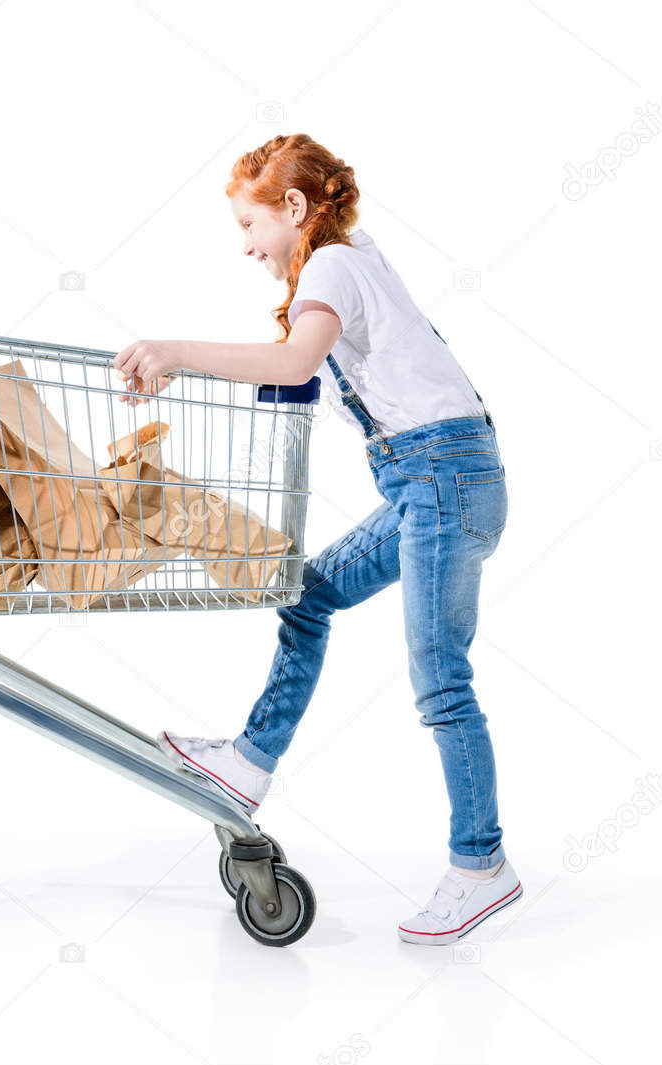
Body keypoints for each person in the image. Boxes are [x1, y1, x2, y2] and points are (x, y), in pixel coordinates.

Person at [113, 134, 519, 945]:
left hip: (441, 477)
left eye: (249, 223)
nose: (246, 245)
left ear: (293, 207)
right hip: (434, 478)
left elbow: (298, 357)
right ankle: (250, 760)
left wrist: (177, 353)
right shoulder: (348, 260)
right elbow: (309, 372)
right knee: (311, 594)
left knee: (440, 682)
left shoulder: (331, 267)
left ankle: (481, 866)